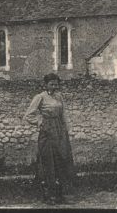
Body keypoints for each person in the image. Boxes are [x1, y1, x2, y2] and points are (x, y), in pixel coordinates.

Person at [24, 73, 75, 205]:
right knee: (48, 161)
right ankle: (49, 195)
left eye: (56, 84)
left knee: (62, 160)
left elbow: (63, 114)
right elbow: (29, 115)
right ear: (45, 84)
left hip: (59, 131)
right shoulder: (40, 97)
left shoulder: (59, 97)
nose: (54, 86)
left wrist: (66, 129)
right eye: (51, 84)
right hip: (47, 132)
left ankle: (62, 194)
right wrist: (40, 122)